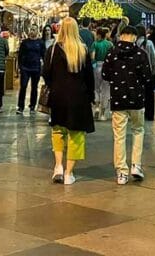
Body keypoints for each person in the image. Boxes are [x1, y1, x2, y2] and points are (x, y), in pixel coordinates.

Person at [42, 17, 95, 184]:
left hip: (58, 97)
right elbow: (89, 77)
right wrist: (91, 96)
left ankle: (58, 166)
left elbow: (46, 73)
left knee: (58, 131)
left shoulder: (52, 50)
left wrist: (55, 86)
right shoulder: (83, 50)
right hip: (78, 97)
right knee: (76, 135)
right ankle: (68, 173)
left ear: (60, 30)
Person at [102, 25, 151, 184]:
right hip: (136, 99)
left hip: (118, 99)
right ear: (135, 37)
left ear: (121, 36)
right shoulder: (141, 54)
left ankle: (121, 172)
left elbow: (105, 74)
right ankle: (136, 165)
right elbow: (147, 77)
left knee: (119, 135)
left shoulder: (112, 53)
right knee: (138, 130)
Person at [16, 29, 45, 114]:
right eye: (31, 30)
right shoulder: (25, 42)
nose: (32, 31)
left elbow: (44, 55)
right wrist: (20, 66)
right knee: (23, 86)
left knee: (34, 87)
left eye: (34, 30)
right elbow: (20, 55)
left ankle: (32, 105)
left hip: (36, 68)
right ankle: (20, 106)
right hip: (25, 68)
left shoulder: (40, 43)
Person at [134, 24, 155, 121]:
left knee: (138, 93)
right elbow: (153, 58)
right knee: (149, 95)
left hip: (137, 72)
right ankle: (149, 115)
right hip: (148, 72)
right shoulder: (149, 43)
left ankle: (138, 114)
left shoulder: (134, 44)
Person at [91, 27, 114, 120]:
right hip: (107, 67)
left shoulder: (95, 44)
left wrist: (94, 64)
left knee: (96, 88)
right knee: (105, 90)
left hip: (97, 66)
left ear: (99, 35)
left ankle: (96, 107)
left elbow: (92, 56)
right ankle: (103, 113)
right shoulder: (110, 44)